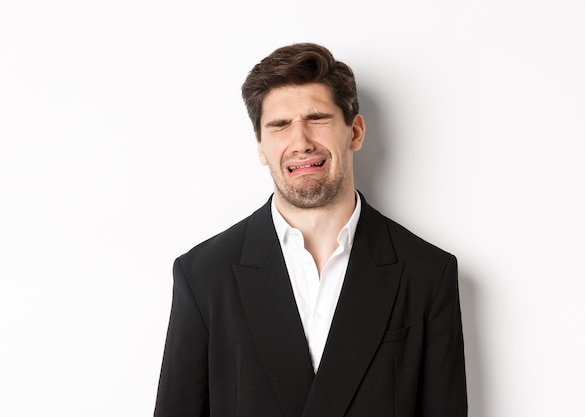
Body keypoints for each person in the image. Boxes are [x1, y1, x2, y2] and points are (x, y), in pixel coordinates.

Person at [154, 42, 467, 417]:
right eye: (280, 125)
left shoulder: (427, 274)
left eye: (317, 118)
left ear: (355, 132)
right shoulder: (204, 276)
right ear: (260, 146)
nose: (300, 143)